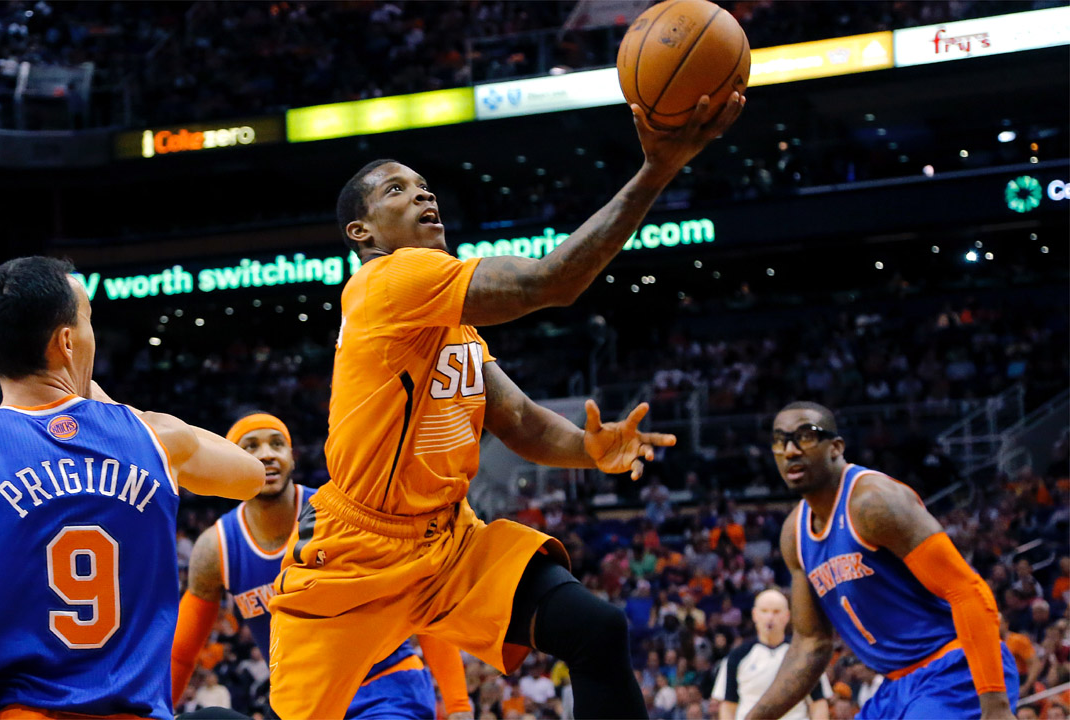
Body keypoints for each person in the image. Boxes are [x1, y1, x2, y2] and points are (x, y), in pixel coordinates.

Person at [267, 92, 745, 719]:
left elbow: (517, 420)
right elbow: (551, 282)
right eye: (397, 191)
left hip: (446, 542)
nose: (423, 196)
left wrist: (588, 449)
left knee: (596, 629)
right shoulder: (389, 280)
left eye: (426, 187)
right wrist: (656, 169)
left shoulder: (450, 324)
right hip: (356, 552)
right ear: (363, 232)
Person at [0, 256, 265, 719]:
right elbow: (250, 476)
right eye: (89, 319)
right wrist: (111, 411)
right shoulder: (156, 437)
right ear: (68, 341)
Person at [171, 413, 473, 719]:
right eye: (250, 446)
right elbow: (181, 655)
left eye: (277, 444)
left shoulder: (342, 515)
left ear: (292, 458)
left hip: (383, 689)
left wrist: (458, 704)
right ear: (229, 462)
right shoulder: (215, 549)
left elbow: (421, 600)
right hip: (304, 706)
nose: (266, 454)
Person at [745, 401, 1019, 720]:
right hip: (895, 685)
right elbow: (811, 644)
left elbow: (968, 590)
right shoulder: (794, 534)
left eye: (805, 436)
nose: (790, 450)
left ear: (835, 447)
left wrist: (996, 707)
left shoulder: (873, 502)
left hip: (955, 671)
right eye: (780, 441)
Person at [712, 588, 830, 720]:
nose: (770, 617)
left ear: (787, 616)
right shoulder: (737, 656)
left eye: (776, 612)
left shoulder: (804, 655)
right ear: (754, 615)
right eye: (764, 611)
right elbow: (728, 706)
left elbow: (818, 703)